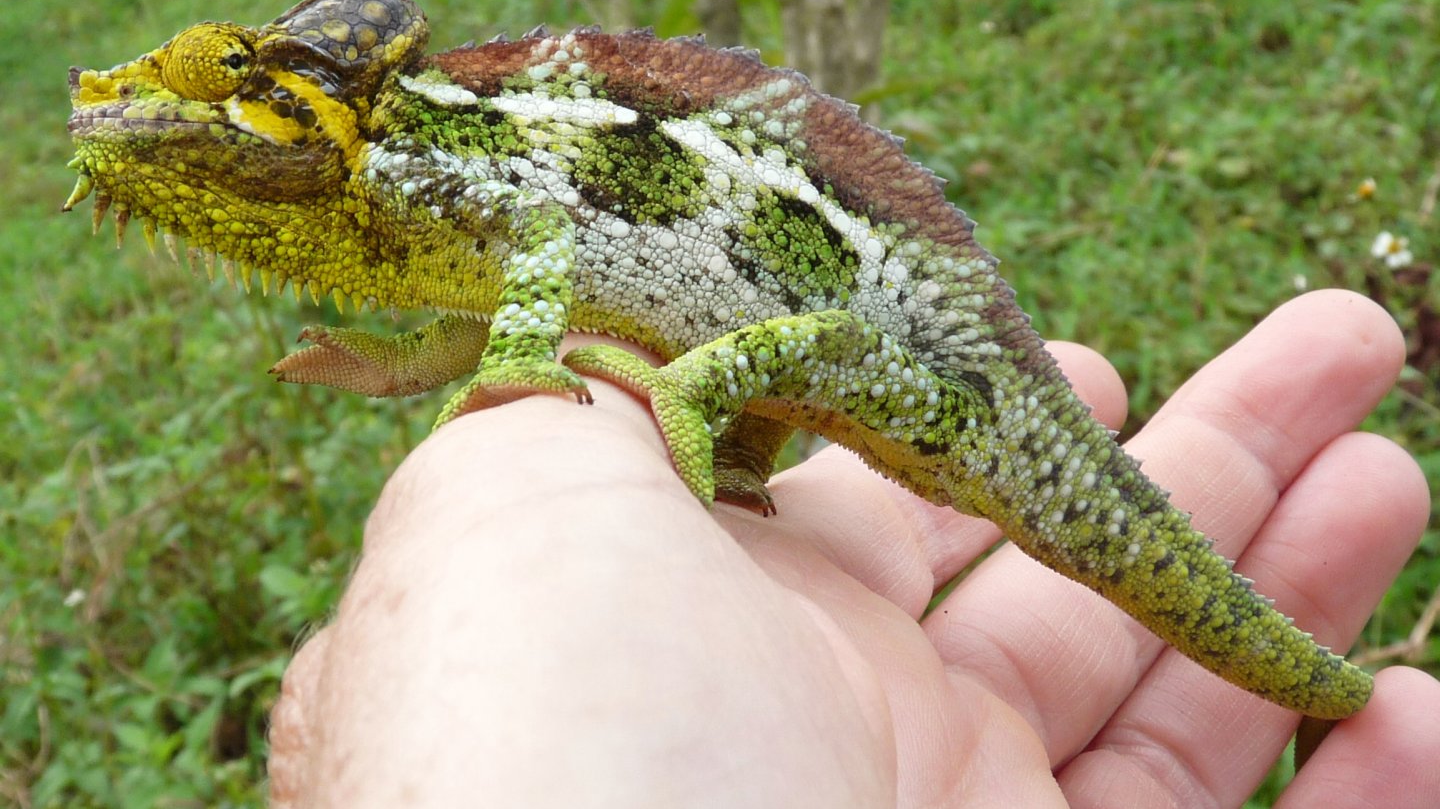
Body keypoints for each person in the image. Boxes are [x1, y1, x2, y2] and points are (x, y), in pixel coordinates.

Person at [268, 290, 1440, 806]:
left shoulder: (465, 162)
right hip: (868, 372)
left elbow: (814, 332)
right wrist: (411, 361)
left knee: (784, 350)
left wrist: (682, 395)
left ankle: (712, 402)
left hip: (904, 367)